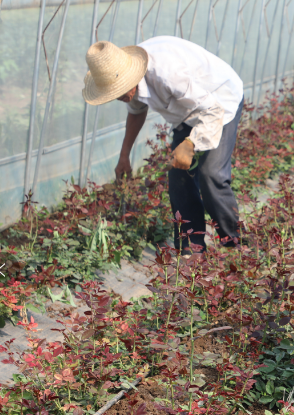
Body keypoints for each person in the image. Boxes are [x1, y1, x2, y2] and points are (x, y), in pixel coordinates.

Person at [81, 37, 244, 253]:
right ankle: (191, 249)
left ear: (132, 77)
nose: (119, 97)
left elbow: (211, 110)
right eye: (113, 93)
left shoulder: (167, 74)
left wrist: (190, 143)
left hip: (220, 102)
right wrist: (124, 156)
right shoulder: (128, 77)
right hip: (187, 112)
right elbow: (136, 112)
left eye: (119, 91)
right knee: (178, 176)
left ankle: (232, 244)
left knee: (210, 174)